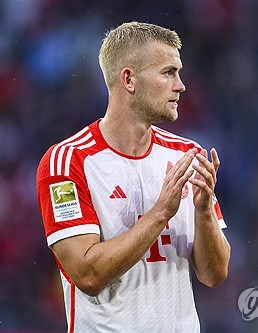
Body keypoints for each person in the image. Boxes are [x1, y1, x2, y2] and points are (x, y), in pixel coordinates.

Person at [36, 21, 230, 332]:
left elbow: (214, 274)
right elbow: (87, 276)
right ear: (129, 79)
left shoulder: (187, 155)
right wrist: (160, 214)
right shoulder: (68, 161)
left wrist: (204, 213)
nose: (180, 85)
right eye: (168, 73)